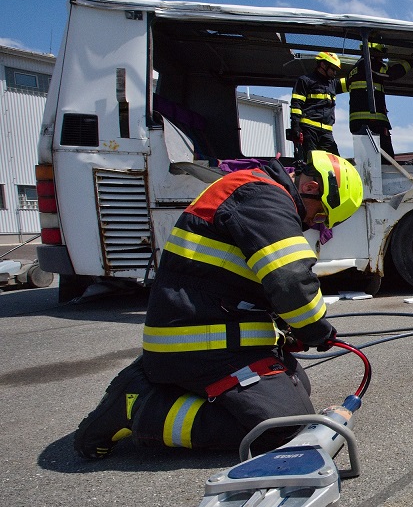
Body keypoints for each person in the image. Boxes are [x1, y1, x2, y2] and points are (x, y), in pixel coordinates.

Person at [74, 151, 365, 459]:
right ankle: (140, 408)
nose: (311, 225)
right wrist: (315, 329)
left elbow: (246, 281)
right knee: (283, 428)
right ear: (309, 189)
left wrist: (287, 329)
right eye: (319, 216)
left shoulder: (255, 192)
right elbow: (291, 281)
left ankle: (164, 387)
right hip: (197, 346)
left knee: (296, 384)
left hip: (206, 333)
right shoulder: (263, 198)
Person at [341, 41, 410, 157]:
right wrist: (410, 62)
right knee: (386, 161)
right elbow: (391, 74)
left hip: (358, 124)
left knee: (367, 159)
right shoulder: (369, 65)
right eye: (381, 54)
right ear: (373, 53)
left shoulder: (354, 69)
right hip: (372, 121)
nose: (382, 58)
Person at [289, 51, 346, 160]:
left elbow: (350, 82)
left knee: (335, 162)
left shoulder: (333, 84)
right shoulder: (305, 81)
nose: (335, 72)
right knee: (311, 164)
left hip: (326, 132)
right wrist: (295, 126)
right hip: (309, 130)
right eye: (333, 69)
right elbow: (296, 105)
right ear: (323, 65)